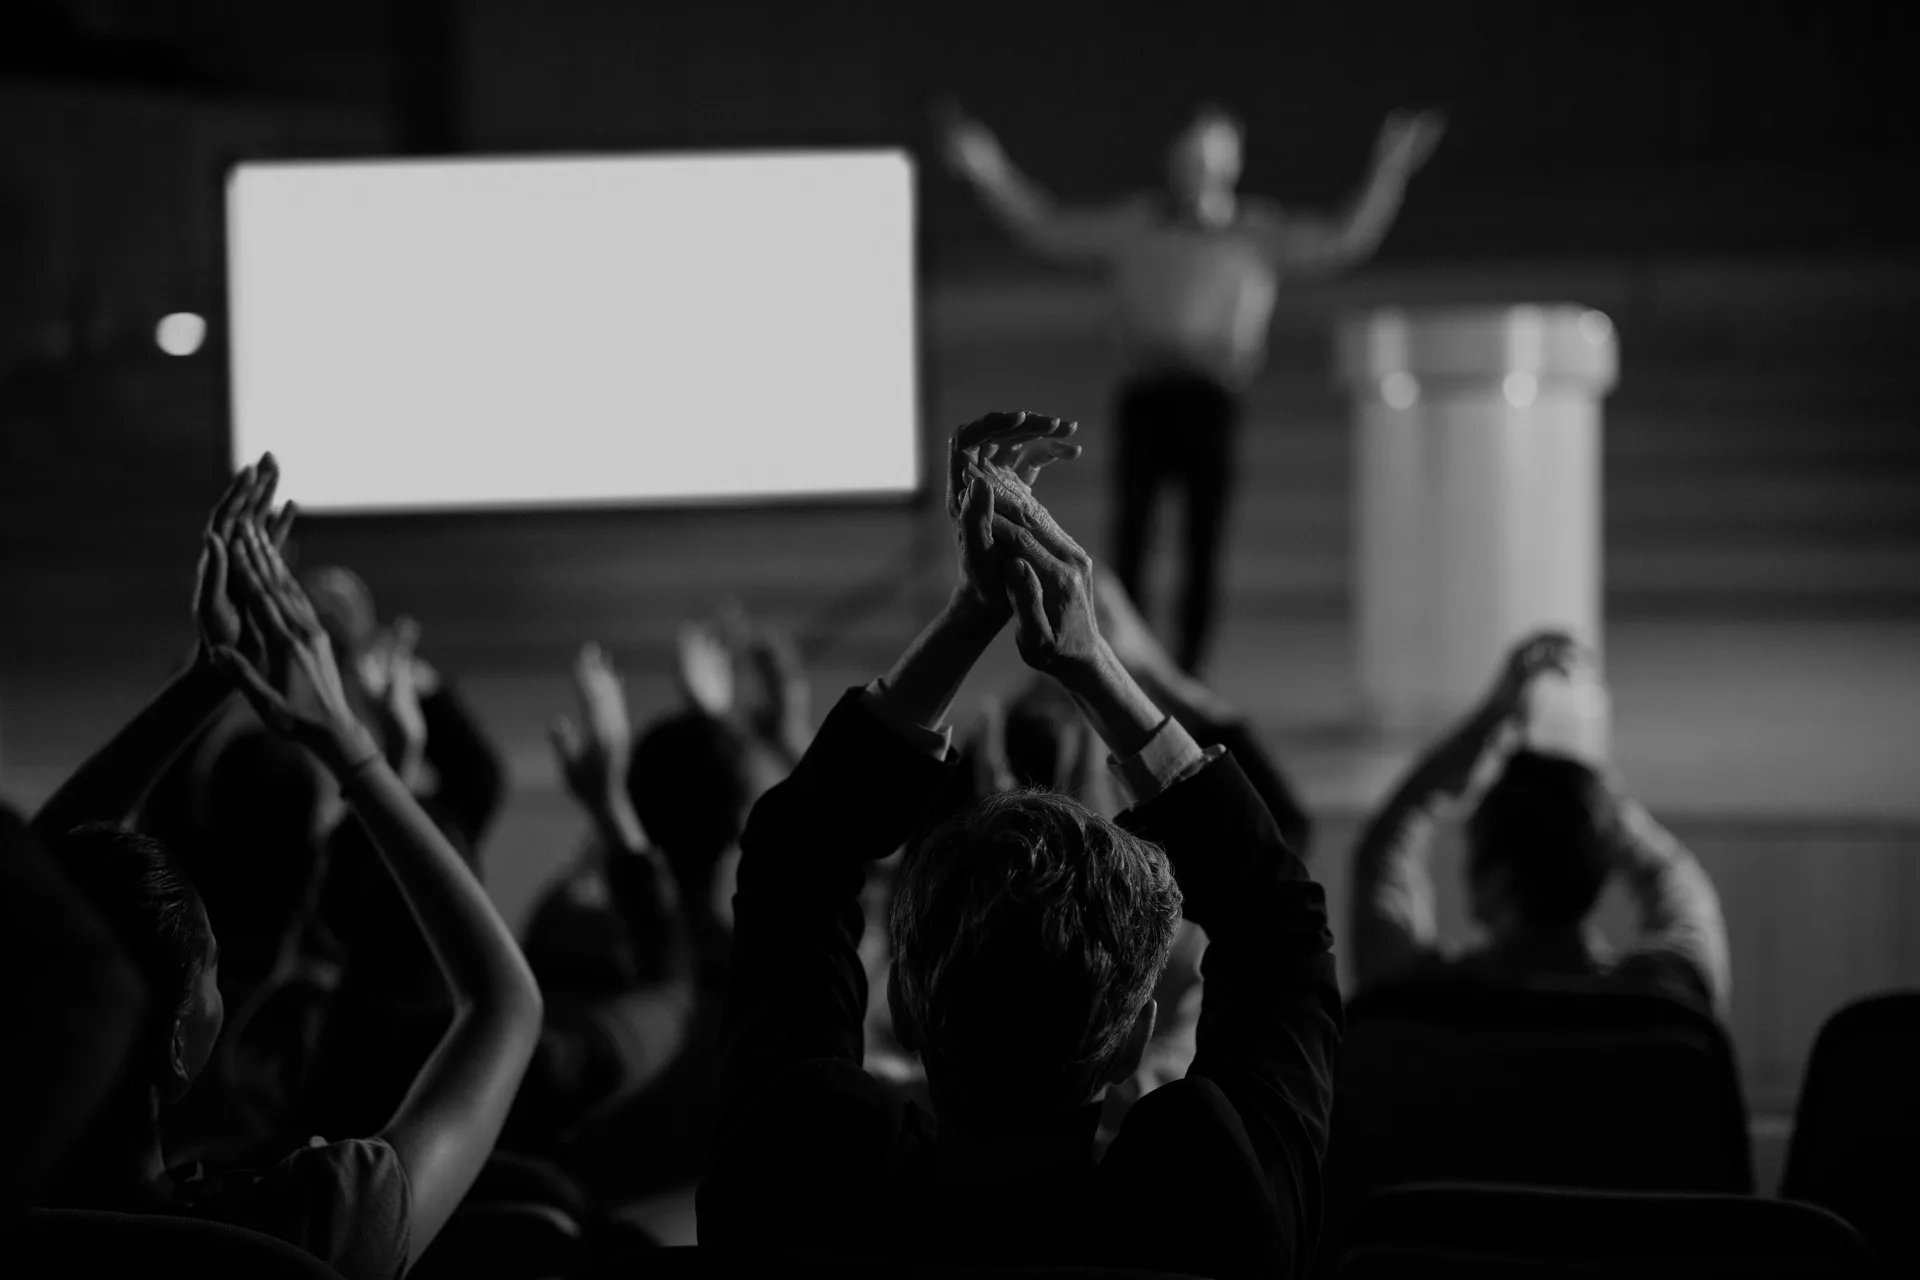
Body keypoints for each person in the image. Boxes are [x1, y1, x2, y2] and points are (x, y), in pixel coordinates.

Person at [698, 411, 1339, 1280]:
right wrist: (1093, 661)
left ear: (907, 1006)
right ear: (1131, 1041)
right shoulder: (1223, 1231)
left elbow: (794, 856)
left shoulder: (792, 1196)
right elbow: (1280, 924)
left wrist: (972, 613)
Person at [32, 457, 544, 1280]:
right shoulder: (313, 1226)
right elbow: (505, 1004)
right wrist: (352, 745)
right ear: (181, 1043)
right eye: (210, 974)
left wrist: (207, 679)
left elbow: (33, 896)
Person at [941, 100, 1446, 676]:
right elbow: (1046, 228)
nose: (1198, 171)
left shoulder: (1256, 231)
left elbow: (1344, 240)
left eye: (1210, 159)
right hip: (1147, 395)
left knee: (1203, 543)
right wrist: (987, 167)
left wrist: (1389, 169)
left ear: (1233, 165)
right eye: (1189, 158)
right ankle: (1119, 660)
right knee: (1132, 538)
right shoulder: (1137, 225)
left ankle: (1187, 673)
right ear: (1172, 163)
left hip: (1212, 399)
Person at [1347, 631, 1732, 1020]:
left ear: (1493, 882)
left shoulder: (1412, 999)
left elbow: (1385, 844)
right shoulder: (1669, 1000)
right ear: (1599, 864)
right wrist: (1591, 799)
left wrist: (1489, 721)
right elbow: (1678, 880)